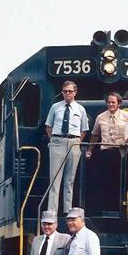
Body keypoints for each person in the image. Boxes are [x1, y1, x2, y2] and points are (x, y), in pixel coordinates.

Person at [45, 81, 89, 215]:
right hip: (57, 142)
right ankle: (52, 212)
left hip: (74, 143)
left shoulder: (80, 109)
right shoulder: (55, 107)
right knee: (54, 179)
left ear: (75, 92)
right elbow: (48, 126)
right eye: (65, 91)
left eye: (70, 91)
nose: (67, 94)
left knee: (70, 180)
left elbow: (84, 130)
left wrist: (76, 142)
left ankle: (67, 211)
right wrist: (53, 140)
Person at [85, 92, 128, 210]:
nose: (110, 104)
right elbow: (95, 135)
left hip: (121, 152)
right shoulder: (100, 117)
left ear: (119, 103)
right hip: (106, 152)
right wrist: (89, 150)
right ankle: (105, 208)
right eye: (109, 102)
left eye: (113, 102)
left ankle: (119, 207)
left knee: (120, 180)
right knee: (105, 180)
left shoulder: (127, 116)